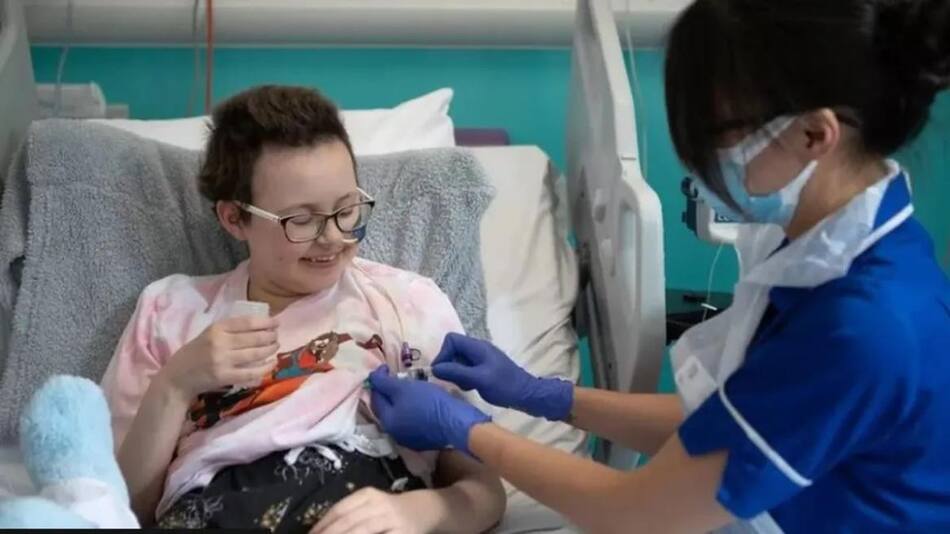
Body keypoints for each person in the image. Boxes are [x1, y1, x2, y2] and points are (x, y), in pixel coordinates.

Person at [365, 0, 950, 532]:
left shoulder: (862, 325)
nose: (699, 162)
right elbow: (724, 424)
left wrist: (467, 431)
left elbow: (639, 512)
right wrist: (541, 396)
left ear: (814, 134)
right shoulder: (832, 249)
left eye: (717, 134)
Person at [100, 85, 505, 533]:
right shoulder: (171, 311)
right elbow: (120, 510)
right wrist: (176, 384)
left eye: (347, 209)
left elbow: (485, 492)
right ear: (234, 218)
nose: (333, 238)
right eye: (303, 220)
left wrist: (419, 513)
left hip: (366, 502)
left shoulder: (405, 302)